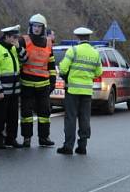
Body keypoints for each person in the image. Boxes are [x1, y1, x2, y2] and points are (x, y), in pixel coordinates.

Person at [57, 27, 102, 155]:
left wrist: (66, 75)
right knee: (85, 118)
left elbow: (63, 68)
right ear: (89, 38)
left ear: (77, 37)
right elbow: (99, 72)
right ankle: (82, 146)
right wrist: (88, 77)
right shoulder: (95, 53)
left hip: (73, 90)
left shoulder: (73, 50)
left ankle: (68, 146)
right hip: (87, 91)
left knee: (71, 118)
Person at [16, 13, 56, 147]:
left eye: (39, 26)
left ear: (43, 28)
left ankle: (44, 138)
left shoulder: (49, 43)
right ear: (30, 26)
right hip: (27, 84)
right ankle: (26, 138)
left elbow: (51, 63)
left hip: (43, 84)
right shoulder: (23, 40)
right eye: (34, 26)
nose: (36, 29)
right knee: (26, 113)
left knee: (44, 113)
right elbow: (18, 60)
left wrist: (53, 80)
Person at [0, 25, 23, 149]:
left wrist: (19, 48)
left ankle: (11, 138)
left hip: (14, 90)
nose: (15, 40)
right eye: (13, 37)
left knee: (13, 117)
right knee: (0, 117)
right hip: (2, 91)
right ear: (6, 37)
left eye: (16, 37)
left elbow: (25, 59)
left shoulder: (13, 49)